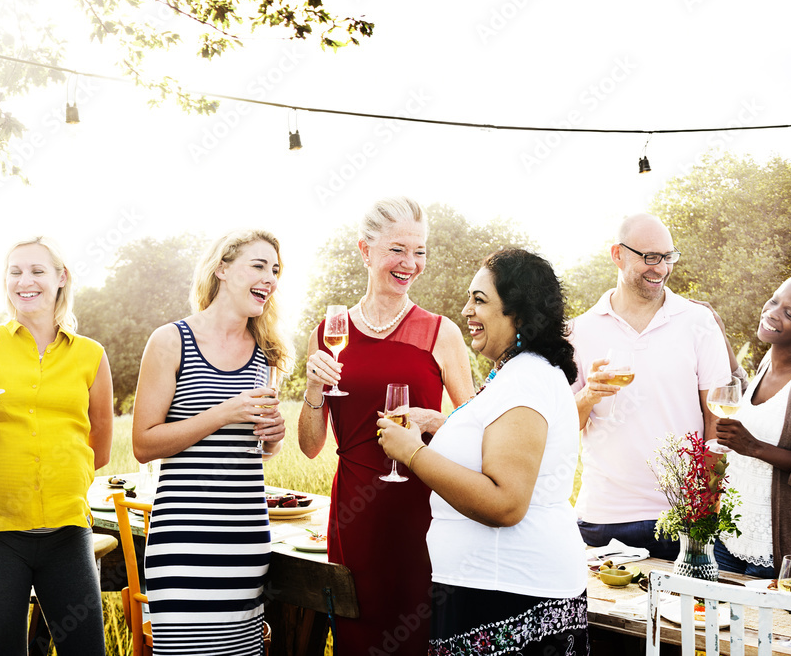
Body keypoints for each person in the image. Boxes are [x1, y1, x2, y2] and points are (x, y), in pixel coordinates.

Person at [378, 248, 588, 656]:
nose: (466, 309)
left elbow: (504, 503)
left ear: (520, 314)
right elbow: (496, 438)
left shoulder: (525, 380)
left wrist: (412, 454)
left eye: (480, 300)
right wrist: (438, 423)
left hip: (509, 595)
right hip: (491, 588)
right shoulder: (515, 374)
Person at [299, 197, 474, 655]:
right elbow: (311, 446)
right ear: (365, 250)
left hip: (423, 512)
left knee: (418, 637)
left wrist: (436, 419)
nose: (411, 264)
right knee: (358, 639)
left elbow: (478, 428)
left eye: (420, 252)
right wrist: (313, 390)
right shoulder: (330, 331)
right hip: (354, 514)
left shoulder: (441, 332)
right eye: (399, 249)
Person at [0, 236, 114, 655]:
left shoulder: (90, 355)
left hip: (66, 531)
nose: (26, 281)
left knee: (85, 649)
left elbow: (101, 444)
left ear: (61, 279)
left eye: (37, 271)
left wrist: (58, 482)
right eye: (15, 271)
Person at [132, 229, 291, 654]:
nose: (270, 278)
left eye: (275, 270)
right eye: (258, 266)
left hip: (246, 539)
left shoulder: (268, 352)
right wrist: (225, 412)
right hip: (184, 542)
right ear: (222, 268)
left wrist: (274, 437)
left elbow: (259, 448)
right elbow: (144, 444)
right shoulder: (170, 341)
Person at [570, 212, 730, 560]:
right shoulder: (577, 331)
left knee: (683, 617)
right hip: (602, 518)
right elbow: (562, 426)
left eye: (668, 257)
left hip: (682, 520)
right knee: (605, 616)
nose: (660, 268)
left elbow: (716, 420)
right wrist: (588, 395)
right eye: (650, 257)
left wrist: (706, 508)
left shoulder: (698, 322)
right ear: (617, 254)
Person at [706, 277, 791, 578]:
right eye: (775, 301)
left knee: (756, 626)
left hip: (775, 545)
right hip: (731, 533)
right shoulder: (767, 364)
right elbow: (752, 402)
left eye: (790, 313)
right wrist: (721, 336)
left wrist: (754, 448)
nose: (773, 312)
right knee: (713, 623)